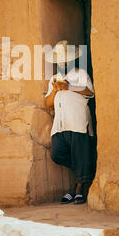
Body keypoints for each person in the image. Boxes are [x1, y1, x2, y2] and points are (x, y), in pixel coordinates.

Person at [45, 40, 96, 205]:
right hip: (60, 126)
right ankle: (80, 179)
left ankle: (78, 189)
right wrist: (54, 90)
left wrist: (70, 87)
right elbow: (47, 103)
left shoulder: (80, 74)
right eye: (59, 60)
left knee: (80, 154)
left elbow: (90, 92)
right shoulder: (54, 79)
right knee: (57, 154)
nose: (62, 62)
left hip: (78, 122)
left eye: (64, 59)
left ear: (70, 60)